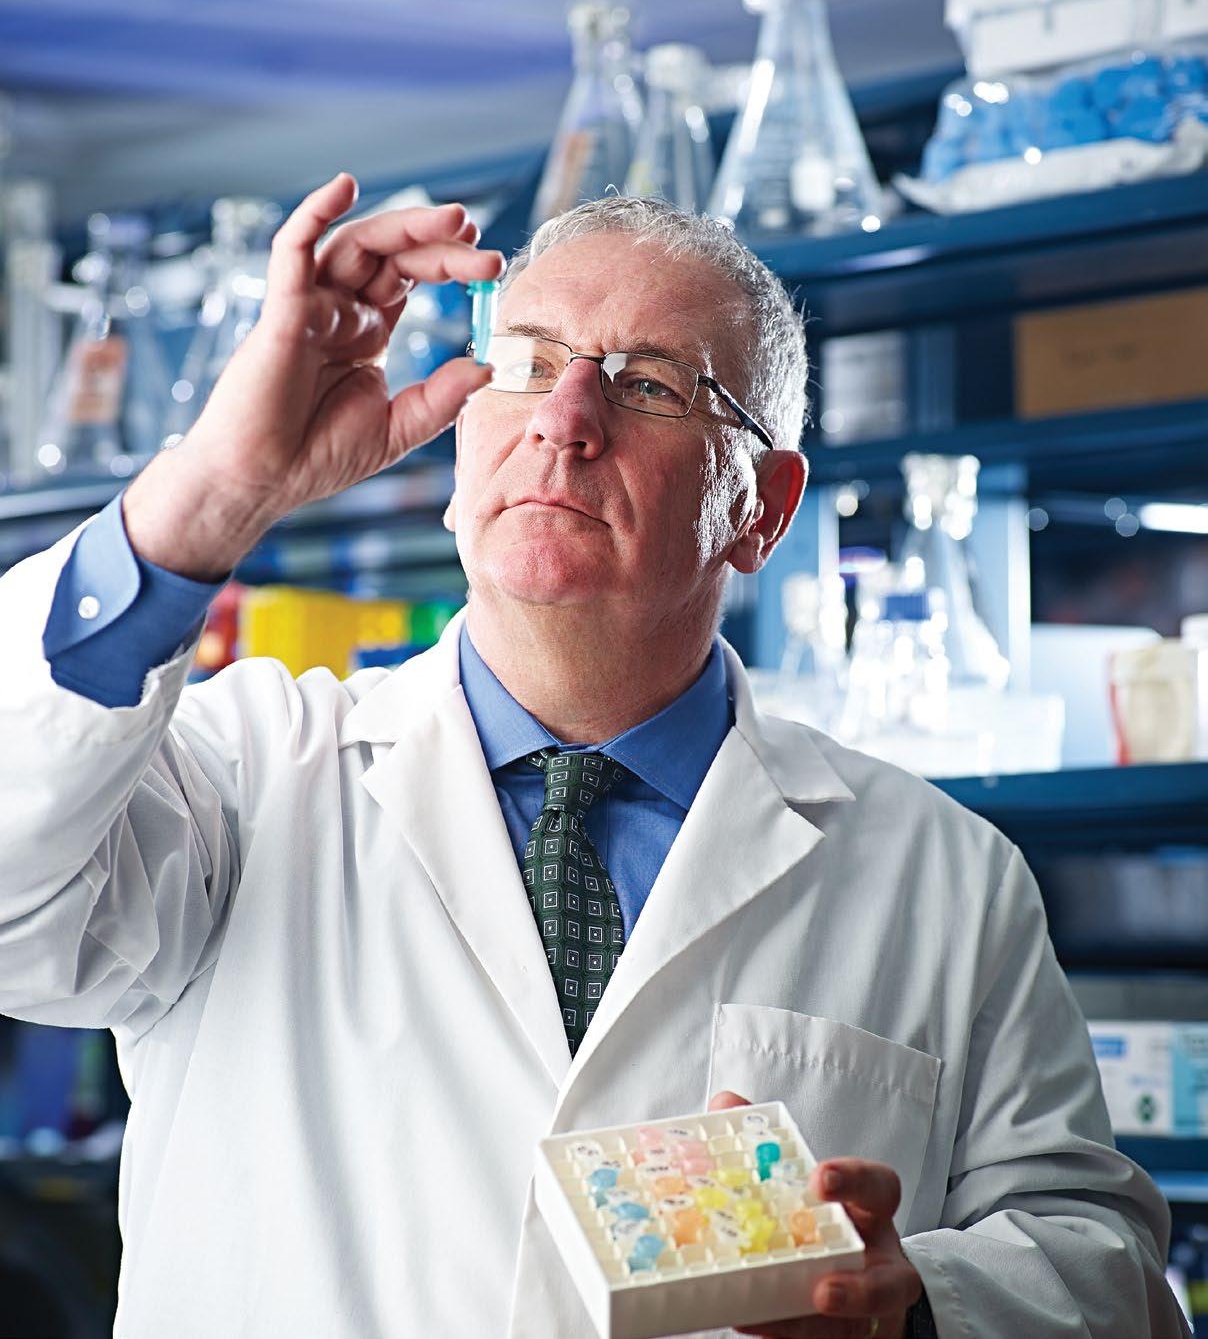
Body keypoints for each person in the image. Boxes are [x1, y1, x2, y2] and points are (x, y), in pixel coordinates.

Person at [0, 175, 1188, 1339]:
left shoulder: (942, 873)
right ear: (458, 447)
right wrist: (218, 488)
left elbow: (1107, 1272)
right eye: (523, 365)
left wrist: (913, 1301)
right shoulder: (238, 777)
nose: (563, 419)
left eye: (649, 383)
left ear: (762, 510)